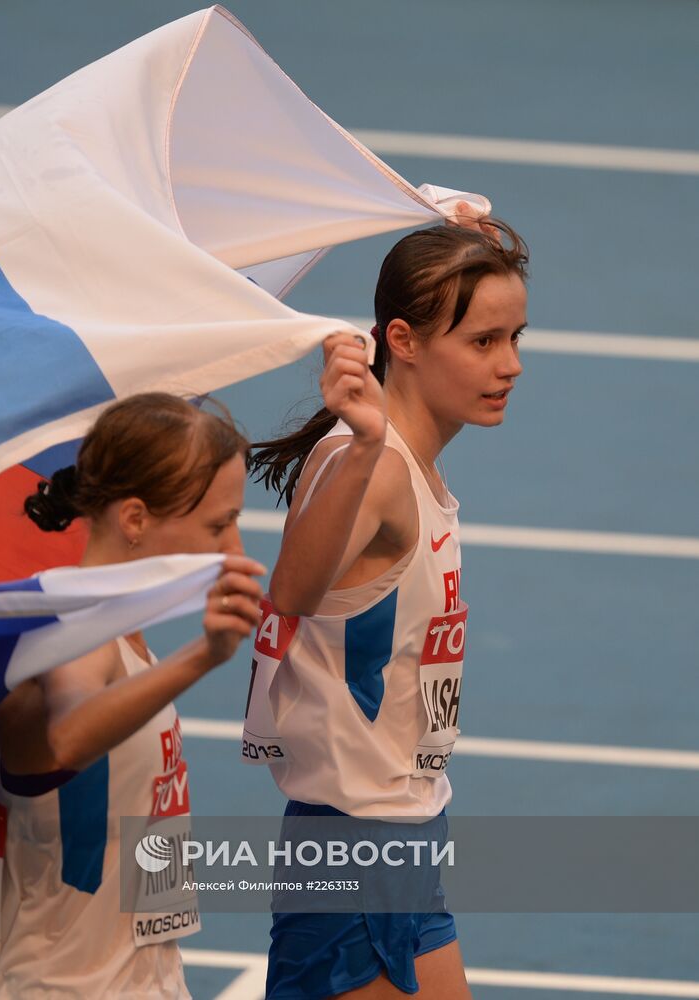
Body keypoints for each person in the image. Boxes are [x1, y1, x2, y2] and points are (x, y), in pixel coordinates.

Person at [248, 212, 529, 999]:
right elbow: (293, 593)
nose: (508, 364)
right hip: (352, 853)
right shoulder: (370, 466)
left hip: (403, 838)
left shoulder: (408, 467)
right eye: (482, 342)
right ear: (401, 341)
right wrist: (367, 442)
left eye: (515, 338)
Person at [0, 392, 266, 999]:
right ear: (135, 519)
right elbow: (65, 738)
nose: (235, 550)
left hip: (142, 980)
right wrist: (204, 656)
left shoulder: (119, 637)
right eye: (218, 525)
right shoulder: (68, 636)